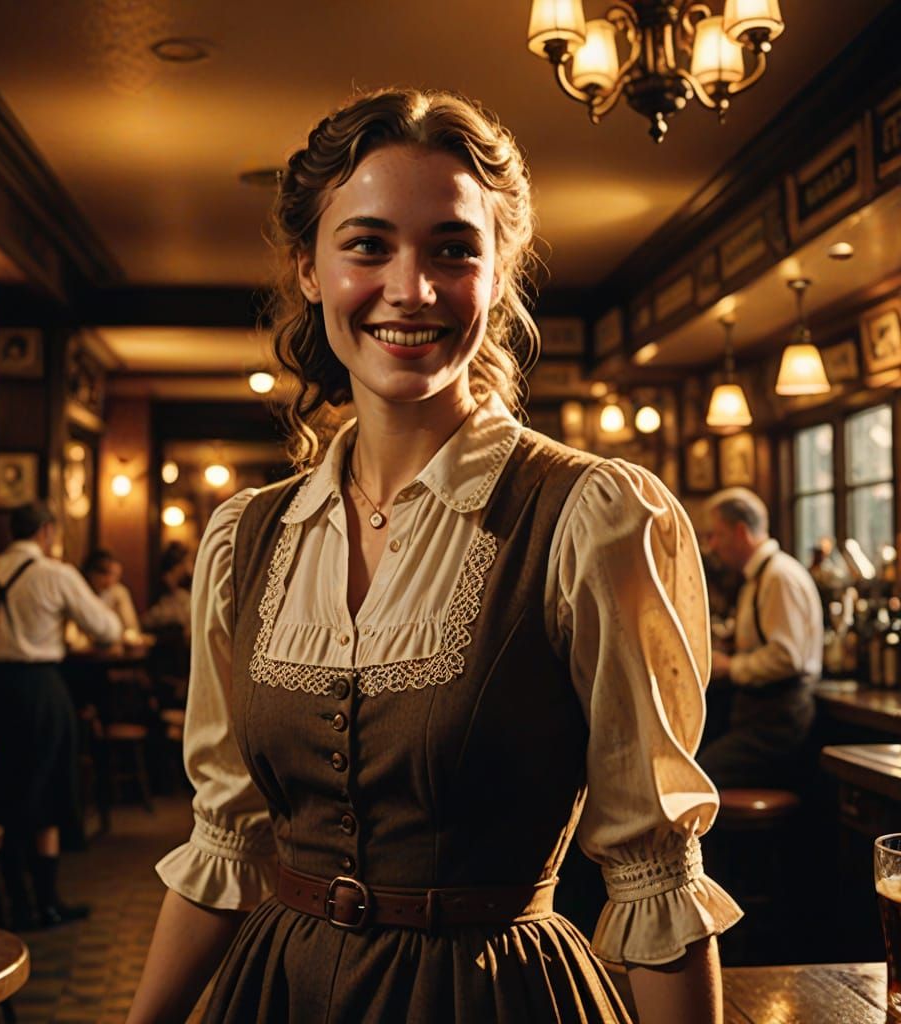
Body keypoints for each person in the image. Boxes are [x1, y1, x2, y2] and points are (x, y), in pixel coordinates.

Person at [128, 89, 739, 1024]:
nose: (411, 288)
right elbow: (225, 846)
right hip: (279, 992)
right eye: (367, 245)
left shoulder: (590, 518)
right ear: (309, 269)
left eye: (453, 250)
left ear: (497, 275)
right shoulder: (244, 539)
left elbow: (655, 876)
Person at [0, 501, 122, 927]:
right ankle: (46, 902)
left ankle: (13, 902)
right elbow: (108, 629)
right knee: (48, 792)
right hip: (40, 690)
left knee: (1, 793)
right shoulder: (55, 574)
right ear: (46, 532)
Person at [698, 487, 823, 789]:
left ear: (741, 532)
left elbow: (787, 657)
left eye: (716, 535)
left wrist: (730, 666)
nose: (711, 546)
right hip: (762, 715)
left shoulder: (779, 576)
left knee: (697, 781)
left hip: (779, 722)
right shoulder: (760, 576)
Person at [140, 541, 193, 642]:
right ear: (178, 564)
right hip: (164, 638)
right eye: (187, 561)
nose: (190, 567)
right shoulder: (161, 585)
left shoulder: (185, 584)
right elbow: (149, 619)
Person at [82, 547, 140, 638]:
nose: (110, 581)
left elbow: (132, 629)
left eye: (115, 576)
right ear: (90, 573)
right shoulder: (81, 591)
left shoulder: (118, 593)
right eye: (104, 574)